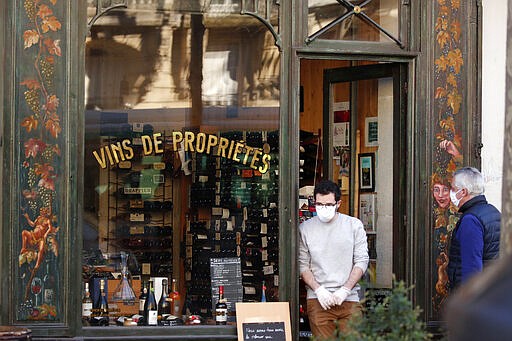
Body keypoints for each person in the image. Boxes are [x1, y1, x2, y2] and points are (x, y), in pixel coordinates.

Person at [299, 180, 369, 338]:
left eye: (328, 205)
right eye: (319, 204)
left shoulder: (354, 226)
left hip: (349, 299)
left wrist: (345, 289)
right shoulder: (305, 229)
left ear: (338, 203)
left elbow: (361, 261)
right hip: (318, 300)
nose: (323, 208)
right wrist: (318, 290)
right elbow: (303, 266)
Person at [447, 167, 500, 290]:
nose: (451, 193)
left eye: (454, 189)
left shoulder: (470, 220)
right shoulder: (493, 211)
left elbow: (472, 268)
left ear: (463, 192)